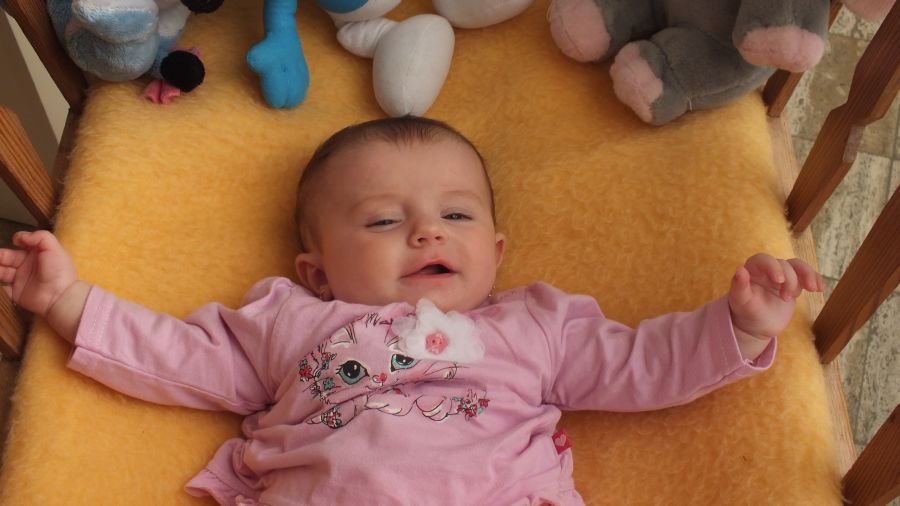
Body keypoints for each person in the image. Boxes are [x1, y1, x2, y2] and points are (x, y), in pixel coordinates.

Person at [0, 116, 823, 505]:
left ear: (496, 251)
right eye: (383, 222)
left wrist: (737, 325)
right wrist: (68, 300)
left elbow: (640, 364)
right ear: (316, 272)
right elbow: (177, 357)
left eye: (455, 215)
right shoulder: (291, 322)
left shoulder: (534, 326)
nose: (427, 230)